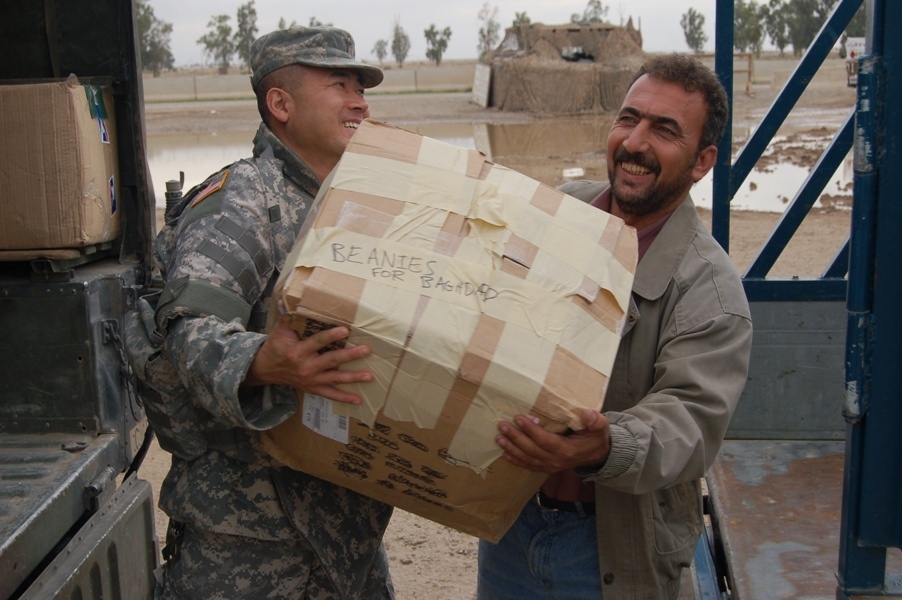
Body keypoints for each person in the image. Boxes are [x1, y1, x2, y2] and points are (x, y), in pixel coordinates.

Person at [477, 54, 753, 600]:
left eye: (665, 130)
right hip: (511, 524)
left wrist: (605, 446)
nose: (635, 143)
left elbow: (687, 424)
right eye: (629, 119)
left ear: (702, 162)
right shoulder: (560, 213)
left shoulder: (711, 292)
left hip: (609, 545)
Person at [146, 26, 394, 599]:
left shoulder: (352, 201)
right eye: (339, 84)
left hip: (343, 530)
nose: (359, 100)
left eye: (362, 86)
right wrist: (262, 361)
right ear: (280, 104)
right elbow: (187, 330)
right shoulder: (244, 199)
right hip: (249, 543)